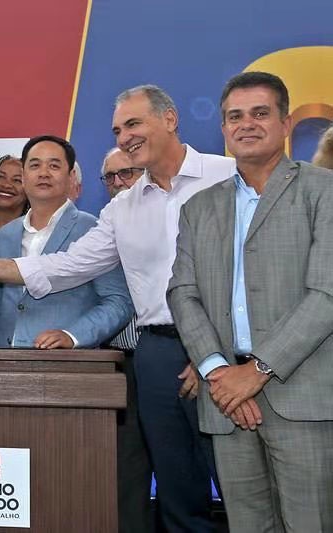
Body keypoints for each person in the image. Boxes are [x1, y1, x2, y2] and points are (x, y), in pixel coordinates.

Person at [0, 85, 237, 532]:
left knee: (243, 486)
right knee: (178, 490)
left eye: (133, 124)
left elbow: (254, 270)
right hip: (158, 353)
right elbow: (68, 266)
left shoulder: (228, 175)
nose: (125, 137)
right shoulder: (122, 209)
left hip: (226, 349)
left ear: (170, 119)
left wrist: (214, 351)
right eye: (118, 130)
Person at [168, 71, 333, 532]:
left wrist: (256, 372)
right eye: (234, 116)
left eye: (260, 113)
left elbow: (327, 294)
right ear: (223, 129)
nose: (246, 124)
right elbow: (182, 292)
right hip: (226, 399)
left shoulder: (323, 191)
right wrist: (219, 372)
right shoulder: (198, 207)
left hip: (301, 395)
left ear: (286, 123)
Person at [0, 135, 132, 350]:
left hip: (67, 362)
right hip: (4, 362)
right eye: (35, 165)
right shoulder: (5, 235)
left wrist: (73, 336)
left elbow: (118, 301)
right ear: (23, 176)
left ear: (71, 177)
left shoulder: (94, 230)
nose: (44, 173)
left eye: (54, 165)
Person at [98, 146, 152, 533]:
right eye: (110, 177)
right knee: (126, 472)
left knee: (182, 471)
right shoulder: (102, 228)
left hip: (170, 356)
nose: (118, 183)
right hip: (118, 364)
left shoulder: (175, 217)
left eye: (127, 173)